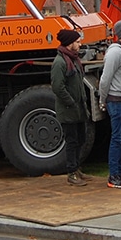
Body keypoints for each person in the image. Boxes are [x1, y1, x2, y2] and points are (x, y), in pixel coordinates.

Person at [50, 28, 92, 187]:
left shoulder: (73, 59)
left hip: (78, 109)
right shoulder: (60, 62)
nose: (80, 44)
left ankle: (77, 168)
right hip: (68, 110)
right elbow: (58, 87)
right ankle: (71, 172)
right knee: (72, 141)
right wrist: (71, 102)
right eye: (77, 42)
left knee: (81, 139)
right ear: (69, 44)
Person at [98, 19, 121, 188]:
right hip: (116, 100)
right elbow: (105, 79)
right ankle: (113, 175)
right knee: (118, 137)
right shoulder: (115, 52)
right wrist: (103, 99)